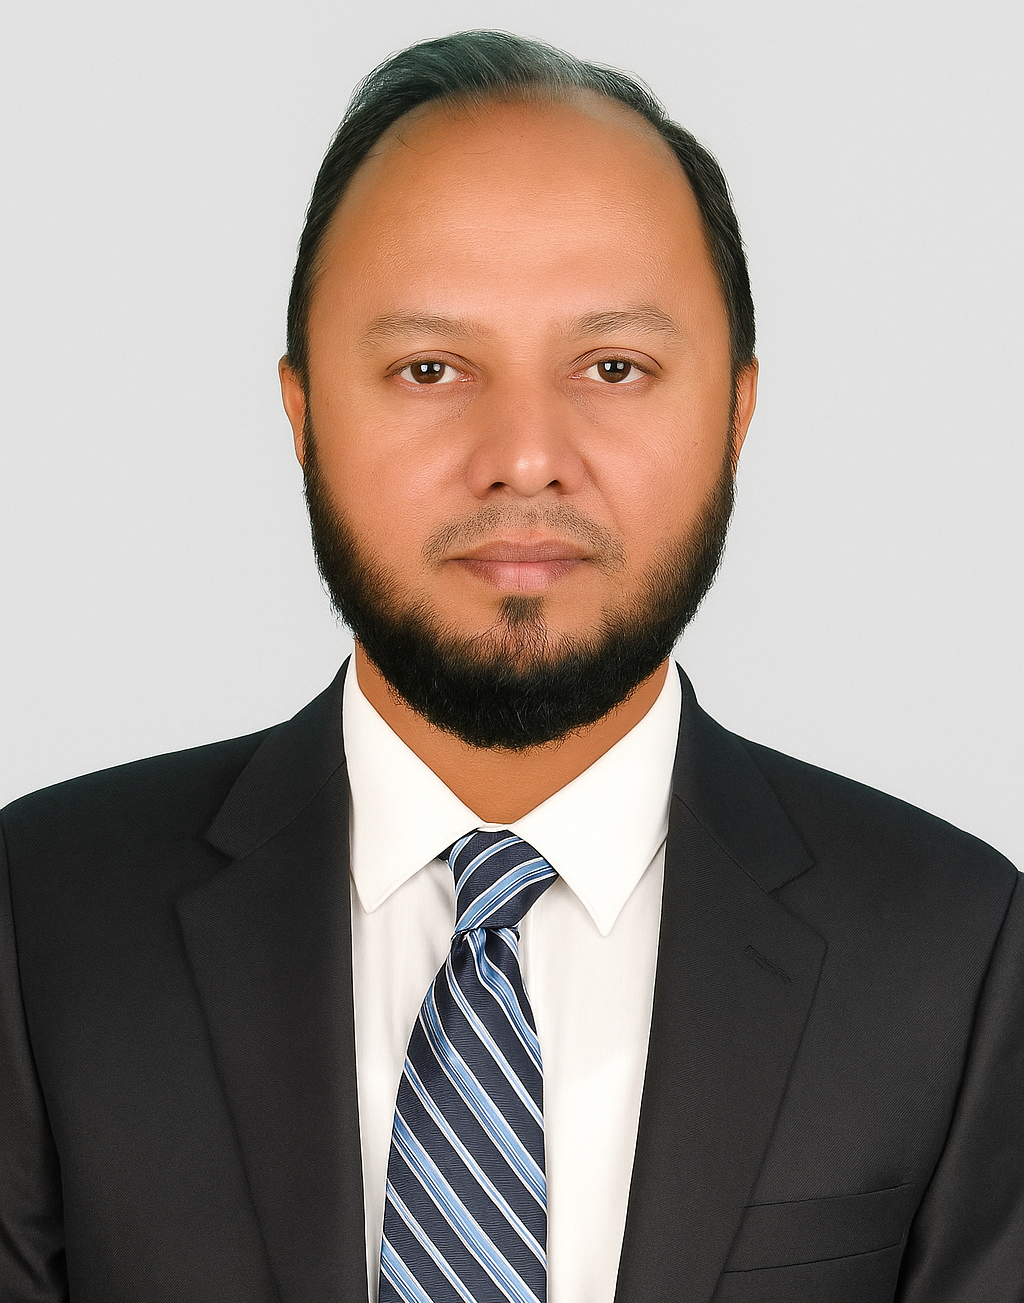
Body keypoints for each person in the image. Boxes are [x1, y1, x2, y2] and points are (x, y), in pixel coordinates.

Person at [1, 28, 1020, 1303]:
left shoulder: (954, 949)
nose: (525, 456)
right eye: (430, 368)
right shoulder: (41, 918)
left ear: (736, 413)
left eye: (614, 366)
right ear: (303, 413)